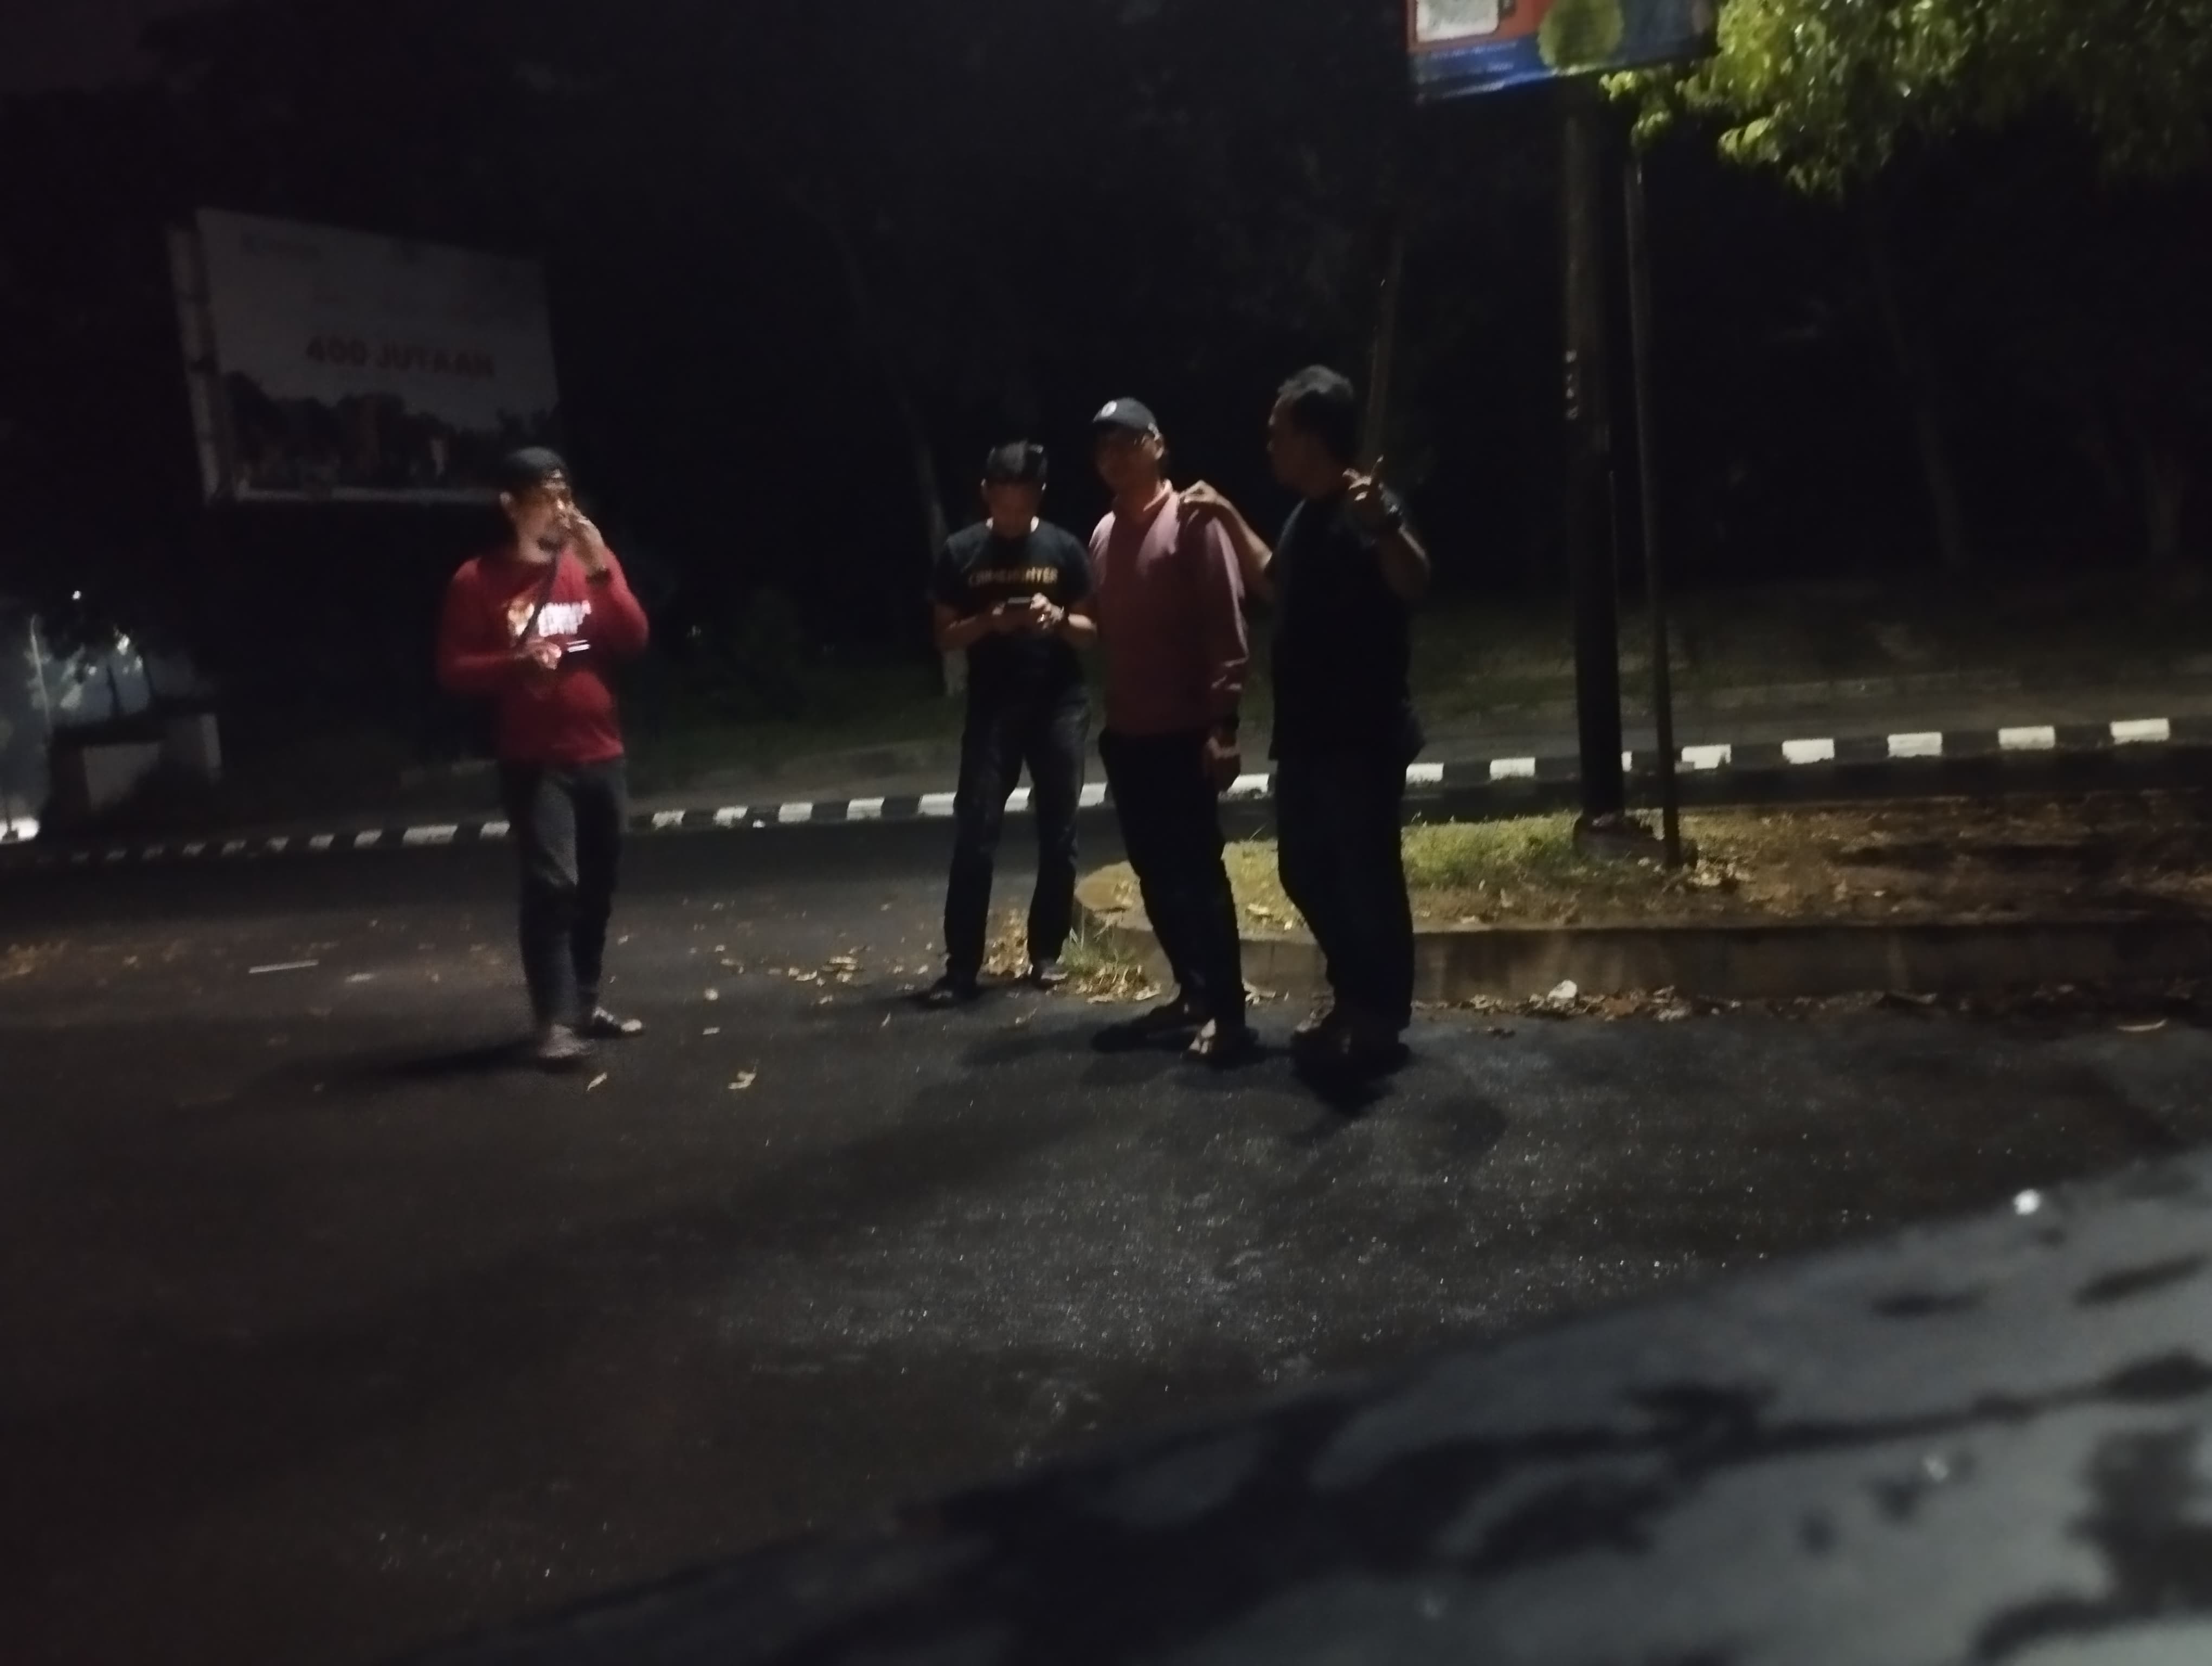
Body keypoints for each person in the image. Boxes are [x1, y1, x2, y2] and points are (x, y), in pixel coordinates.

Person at [1180, 367, 1431, 1073]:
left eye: (1278, 433)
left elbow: (1414, 581)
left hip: (1361, 735)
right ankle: (1354, 994)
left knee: (1367, 877)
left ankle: (1380, 1014)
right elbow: (1274, 582)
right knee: (1304, 870)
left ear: (1313, 438)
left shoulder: (1367, 507)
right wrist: (1226, 515)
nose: (1269, 445)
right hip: (1308, 736)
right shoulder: (1305, 517)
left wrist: (1384, 524)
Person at [437, 447, 652, 1069]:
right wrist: (515, 664)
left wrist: (601, 568)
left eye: (565, 495)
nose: (560, 509)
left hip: (602, 749)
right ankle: (553, 1022)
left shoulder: (588, 563)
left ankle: (585, 1002)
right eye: (545, 497)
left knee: (598, 886)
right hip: (536, 760)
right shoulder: (477, 580)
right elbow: (453, 668)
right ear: (511, 506)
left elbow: (632, 639)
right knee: (553, 885)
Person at [1088, 397, 1255, 1064]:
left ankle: (1230, 1013)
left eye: (1127, 443)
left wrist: (1224, 724)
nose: (1115, 457)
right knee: (1154, 873)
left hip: (1186, 731)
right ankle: (1192, 993)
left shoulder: (1193, 520)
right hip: (1129, 733)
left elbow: (1227, 626)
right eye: (1104, 447)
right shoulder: (1103, 534)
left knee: (1199, 874)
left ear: (1158, 445)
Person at [924, 441, 1098, 1004]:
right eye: (1003, 499)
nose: (1013, 510)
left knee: (1059, 834)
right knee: (976, 833)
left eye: (1023, 499)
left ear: (1039, 494)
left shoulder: (1064, 549)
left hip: (1059, 703)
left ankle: (1047, 954)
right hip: (992, 707)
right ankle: (961, 967)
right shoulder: (961, 552)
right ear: (987, 493)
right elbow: (944, 635)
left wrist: (1058, 618)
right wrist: (990, 621)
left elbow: (1090, 633)